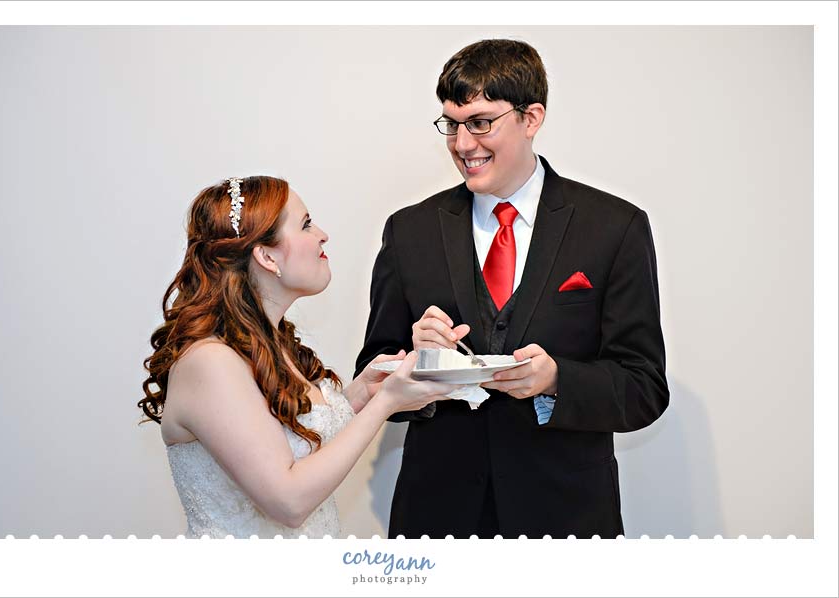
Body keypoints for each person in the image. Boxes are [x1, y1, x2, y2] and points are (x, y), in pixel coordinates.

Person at [355, 39, 669, 539]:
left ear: (531, 118)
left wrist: (555, 381)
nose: (462, 144)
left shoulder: (615, 227)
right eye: (451, 125)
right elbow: (372, 377)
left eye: (480, 123)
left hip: (566, 520)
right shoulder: (409, 231)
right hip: (437, 520)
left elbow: (644, 388)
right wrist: (417, 362)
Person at [139, 175, 456, 538]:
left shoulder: (271, 343)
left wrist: (362, 394)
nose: (322, 234)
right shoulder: (210, 362)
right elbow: (288, 502)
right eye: (306, 224)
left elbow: (292, 442)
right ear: (266, 256)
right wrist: (384, 404)